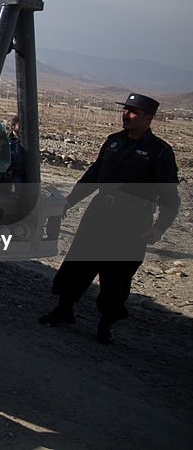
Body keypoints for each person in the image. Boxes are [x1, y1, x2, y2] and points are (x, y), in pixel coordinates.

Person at [38, 92, 180, 344]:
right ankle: (64, 309)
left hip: (132, 221)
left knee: (117, 275)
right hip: (99, 213)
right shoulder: (113, 142)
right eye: (125, 110)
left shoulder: (160, 152)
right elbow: (92, 176)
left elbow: (170, 196)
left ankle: (106, 325)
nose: (126, 115)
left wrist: (159, 227)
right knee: (78, 264)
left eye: (133, 112)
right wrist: (67, 203)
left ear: (148, 117)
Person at [1, 115, 24, 184]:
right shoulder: (6, 139)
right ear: (13, 126)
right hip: (7, 169)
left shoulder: (25, 141)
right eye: (19, 125)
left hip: (20, 171)